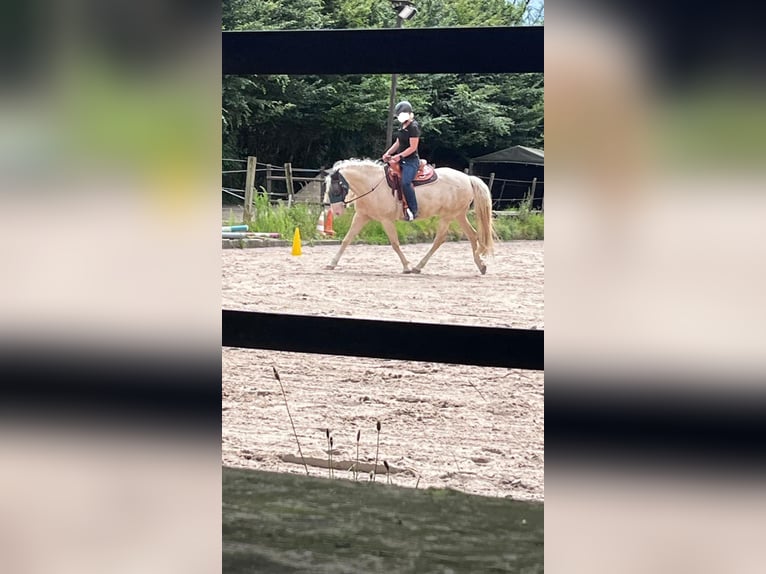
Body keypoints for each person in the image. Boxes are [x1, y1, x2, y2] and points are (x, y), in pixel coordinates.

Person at [382, 101, 421, 220]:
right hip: (402, 159)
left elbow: (413, 147)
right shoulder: (402, 126)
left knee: (405, 182)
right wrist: (388, 153)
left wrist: (399, 156)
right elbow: (398, 142)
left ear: (408, 113)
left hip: (411, 161)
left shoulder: (413, 127)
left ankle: (413, 210)